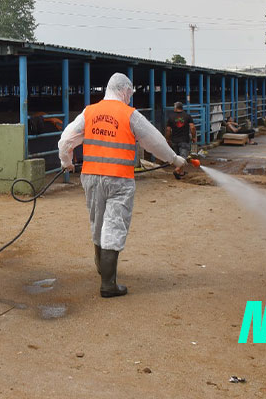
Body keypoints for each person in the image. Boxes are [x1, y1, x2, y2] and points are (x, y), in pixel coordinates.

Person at [58, 73, 186, 298]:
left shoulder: (90, 112)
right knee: (115, 225)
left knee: (98, 223)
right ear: (125, 90)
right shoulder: (130, 115)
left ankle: (103, 270)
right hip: (119, 179)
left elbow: (66, 140)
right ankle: (108, 284)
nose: (130, 97)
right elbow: (154, 141)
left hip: (91, 177)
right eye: (130, 93)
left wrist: (66, 163)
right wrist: (174, 159)